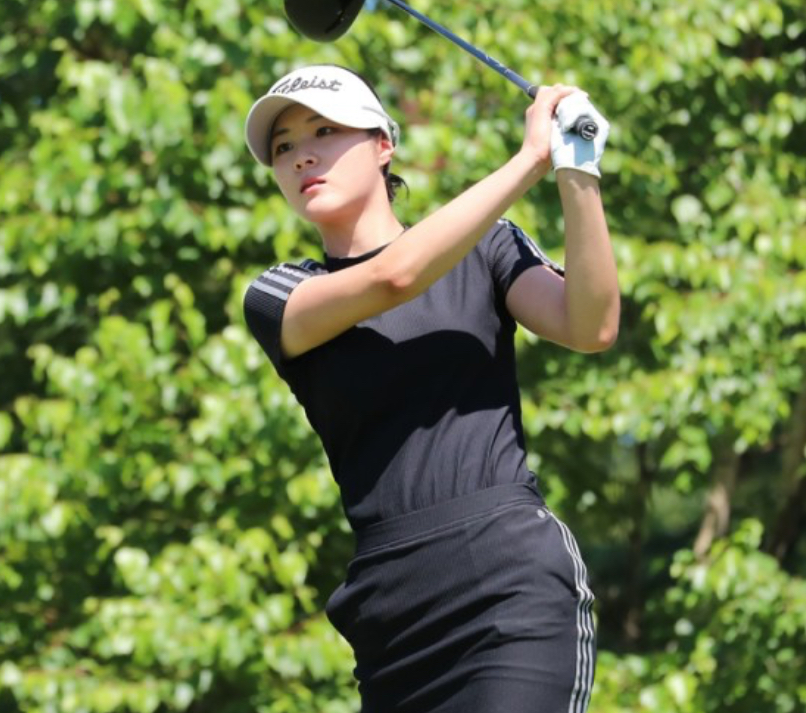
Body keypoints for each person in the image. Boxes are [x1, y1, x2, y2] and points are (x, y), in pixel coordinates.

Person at [241, 64, 619, 713]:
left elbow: (591, 327)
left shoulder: (488, 247)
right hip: (391, 623)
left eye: (325, 131)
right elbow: (394, 278)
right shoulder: (280, 294)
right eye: (283, 146)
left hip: (510, 590)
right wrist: (528, 160)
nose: (301, 154)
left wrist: (574, 169)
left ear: (383, 145)